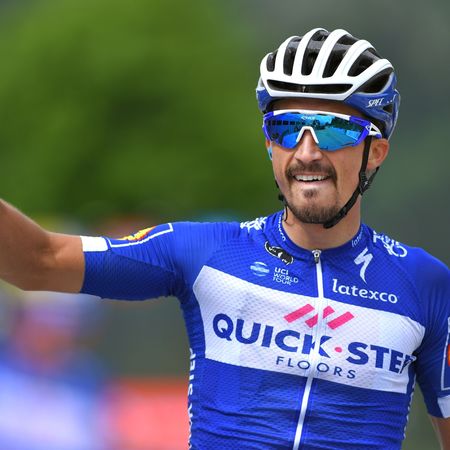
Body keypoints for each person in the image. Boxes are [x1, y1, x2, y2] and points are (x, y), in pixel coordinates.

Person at [0, 27, 448, 449]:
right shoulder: (206, 252)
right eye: (287, 128)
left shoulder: (426, 285)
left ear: (375, 152)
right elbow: (39, 261)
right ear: (269, 144)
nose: (307, 152)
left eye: (332, 130)